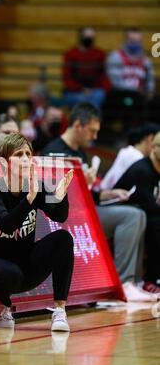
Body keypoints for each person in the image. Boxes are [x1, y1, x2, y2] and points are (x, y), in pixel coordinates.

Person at [43, 103, 157, 302]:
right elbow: (50, 198)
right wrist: (78, 184)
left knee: (136, 212)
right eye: (93, 131)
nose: (95, 137)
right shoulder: (53, 152)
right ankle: (124, 282)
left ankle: (135, 281)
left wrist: (106, 194)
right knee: (131, 216)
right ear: (78, 125)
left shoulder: (80, 152)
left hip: (85, 211)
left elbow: (86, 193)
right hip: (64, 218)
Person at [0, 133, 75, 331]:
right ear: (4, 163)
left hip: (23, 266)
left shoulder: (34, 187)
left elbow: (59, 217)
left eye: (28, 153)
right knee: (9, 273)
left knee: (63, 239)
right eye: (19, 155)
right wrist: (29, 200)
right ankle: (3, 307)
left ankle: (60, 311)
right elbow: (7, 225)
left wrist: (60, 197)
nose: (26, 159)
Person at [114, 131, 160, 295]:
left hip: (138, 214)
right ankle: (150, 280)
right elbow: (149, 205)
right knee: (155, 223)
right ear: (154, 148)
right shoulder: (142, 170)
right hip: (119, 212)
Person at [101, 123, 160, 190]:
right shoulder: (137, 159)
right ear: (150, 139)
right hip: (111, 196)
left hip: (106, 191)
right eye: (158, 144)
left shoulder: (128, 150)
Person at [63, 27, 109, 109]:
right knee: (82, 100)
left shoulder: (99, 54)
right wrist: (81, 89)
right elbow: (67, 77)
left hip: (95, 90)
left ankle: (92, 121)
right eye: (87, 36)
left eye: (91, 37)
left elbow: (103, 76)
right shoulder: (71, 54)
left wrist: (96, 89)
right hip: (74, 91)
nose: (89, 39)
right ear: (80, 37)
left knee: (97, 97)